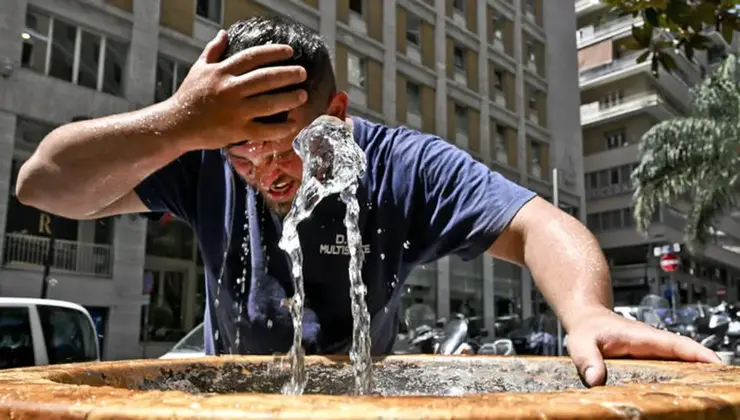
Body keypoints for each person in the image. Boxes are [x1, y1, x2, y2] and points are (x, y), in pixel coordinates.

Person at [16, 16, 719, 386]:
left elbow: (539, 223)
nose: (264, 169)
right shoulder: (201, 157)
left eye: (285, 143)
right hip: (232, 399)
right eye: (241, 147)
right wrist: (181, 123)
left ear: (338, 116)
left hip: (364, 399)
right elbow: (43, 185)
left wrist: (587, 311)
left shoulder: (400, 166)